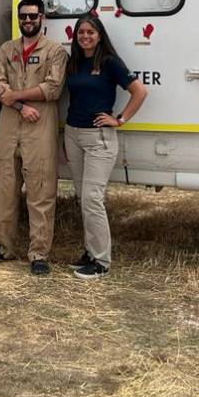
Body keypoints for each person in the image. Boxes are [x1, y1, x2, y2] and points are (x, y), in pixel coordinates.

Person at [0, 0, 67, 276]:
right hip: (10, 124)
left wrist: (16, 96)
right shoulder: (7, 49)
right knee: (4, 189)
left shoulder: (55, 51)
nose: (28, 21)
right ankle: (4, 247)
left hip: (40, 126)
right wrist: (19, 104)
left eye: (32, 16)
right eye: (23, 17)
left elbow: (52, 88)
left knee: (40, 191)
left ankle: (39, 252)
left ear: (42, 18)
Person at [63, 14, 147, 279]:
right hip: (73, 135)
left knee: (92, 199)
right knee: (82, 198)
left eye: (90, 32)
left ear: (100, 35)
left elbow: (140, 92)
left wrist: (119, 119)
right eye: (81, 33)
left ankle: (101, 261)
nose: (85, 37)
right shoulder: (74, 62)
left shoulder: (110, 62)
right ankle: (89, 252)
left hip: (99, 138)